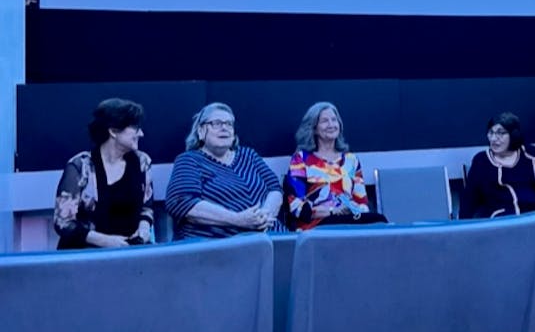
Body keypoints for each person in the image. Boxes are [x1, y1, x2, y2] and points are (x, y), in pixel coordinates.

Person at [165, 102, 286, 239]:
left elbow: (274, 188)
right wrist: (238, 220)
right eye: (216, 123)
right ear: (200, 131)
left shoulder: (249, 155)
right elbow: (182, 202)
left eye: (229, 124)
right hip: (219, 245)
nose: (224, 128)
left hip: (271, 236)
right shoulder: (189, 160)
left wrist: (264, 215)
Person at [53, 98, 154, 249]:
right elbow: (63, 223)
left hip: (129, 253)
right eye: (135, 127)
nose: (141, 134)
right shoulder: (80, 166)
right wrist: (105, 241)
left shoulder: (142, 161)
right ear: (113, 131)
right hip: (84, 256)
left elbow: (146, 208)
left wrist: (144, 229)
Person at [286, 101, 387, 230]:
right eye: (324, 121)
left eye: (334, 120)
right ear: (314, 128)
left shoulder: (351, 160)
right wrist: (333, 211)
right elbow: (295, 206)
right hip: (318, 223)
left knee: (379, 221)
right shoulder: (301, 159)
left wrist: (355, 209)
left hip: (349, 218)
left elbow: (362, 202)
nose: (331, 125)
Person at [459, 112, 535, 219]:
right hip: (503, 221)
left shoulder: (532, 154)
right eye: (491, 133)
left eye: (500, 133)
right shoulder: (481, 161)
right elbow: (469, 200)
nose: (494, 138)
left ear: (514, 135)